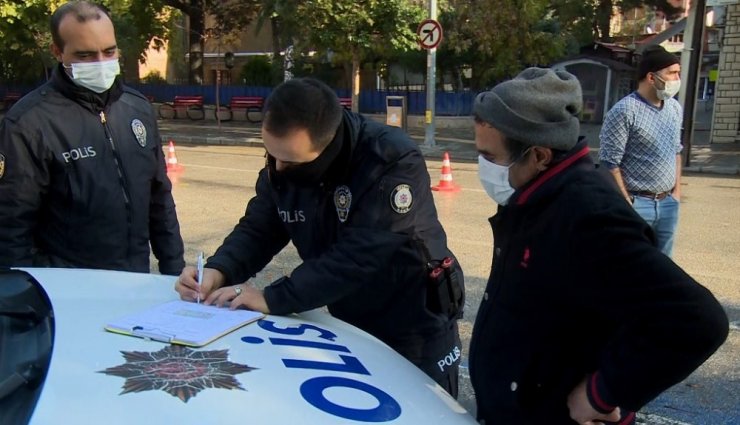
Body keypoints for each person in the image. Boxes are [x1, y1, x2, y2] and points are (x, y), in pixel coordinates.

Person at [175, 77, 465, 397]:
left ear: (327, 147)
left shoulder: (389, 161)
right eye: (271, 154)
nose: (277, 167)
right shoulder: (284, 162)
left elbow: (356, 258)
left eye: (290, 160)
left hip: (413, 326)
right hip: (349, 319)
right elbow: (261, 225)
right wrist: (219, 270)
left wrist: (273, 298)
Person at [469, 67, 728, 424]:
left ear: (540, 155)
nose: (483, 167)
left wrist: (602, 394)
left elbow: (698, 320)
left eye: (491, 157)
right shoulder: (534, 195)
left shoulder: (588, 215)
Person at [0, 1, 184, 275]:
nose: (101, 63)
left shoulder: (138, 109)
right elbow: (11, 225)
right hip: (70, 291)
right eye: (85, 55)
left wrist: (174, 271)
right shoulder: (28, 123)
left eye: (109, 51)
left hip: (135, 281)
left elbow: (159, 199)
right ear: (58, 52)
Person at [599, 45, 683, 257]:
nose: (677, 79)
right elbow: (610, 162)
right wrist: (627, 201)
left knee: (664, 268)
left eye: (678, 73)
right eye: (672, 73)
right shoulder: (624, 111)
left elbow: (676, 151)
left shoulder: (674, 108)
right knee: (629, 264)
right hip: (637, 204)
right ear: (651, 77)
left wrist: (676, 193)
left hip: (667, 204)